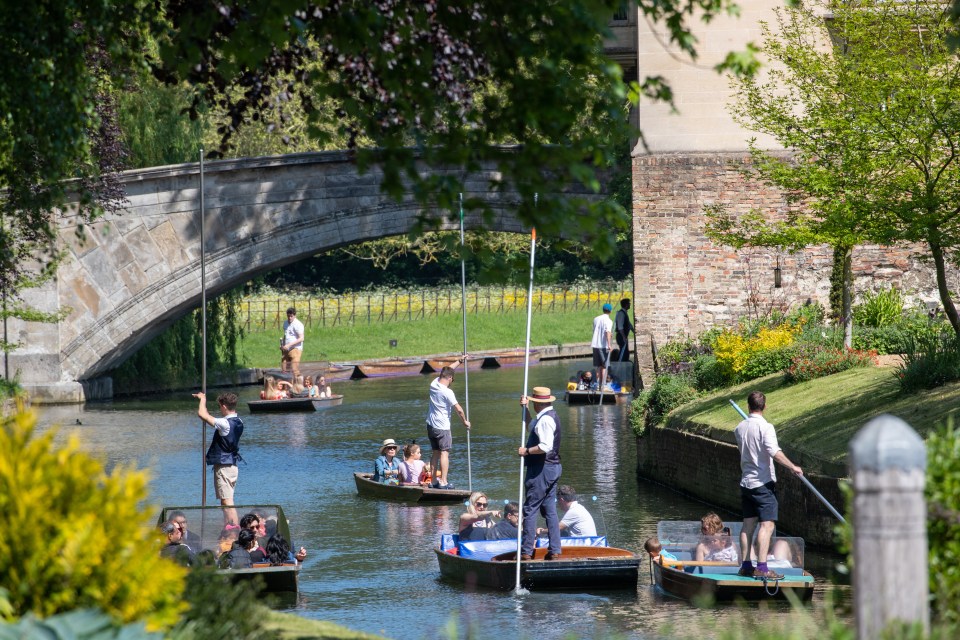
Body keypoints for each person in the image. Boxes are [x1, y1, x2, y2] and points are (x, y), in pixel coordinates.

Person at [734, 391, 803, 580]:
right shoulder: (766, 427)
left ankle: (746, 565)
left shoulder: (739, 428)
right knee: (767, 526)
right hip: (763, 484)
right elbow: (774, 452)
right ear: (764, 407)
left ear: (748, 406)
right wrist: (792, 467)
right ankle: (762, 568)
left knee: (748, 524)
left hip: (746, 483)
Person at [518, 386, 562, 561]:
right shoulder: (548, 416)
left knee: (530, 509)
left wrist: (526, 451)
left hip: (542, 469)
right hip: (553, 467)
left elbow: (545, 446)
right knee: (549, 509)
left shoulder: (545, 420)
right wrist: (524, 409)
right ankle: (555, 550)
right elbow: (531, 427)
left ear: (538, 403)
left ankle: (526, 551)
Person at [194, 391, 244, 526]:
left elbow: (202, 415)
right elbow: (207, 416)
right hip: (231, 465)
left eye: (220, 406)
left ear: (224, 406)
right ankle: (228, 527)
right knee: (225, 500)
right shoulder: (239, 421)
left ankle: (234, 530)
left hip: (224, 466)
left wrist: (202, 399)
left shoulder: (225, 423)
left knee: (227, 502)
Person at [425, 359, 471, 490]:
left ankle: (433, 481)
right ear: (450, 378)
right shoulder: (447, 392)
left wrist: (460, 361)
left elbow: (448, 369)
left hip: (431, 425)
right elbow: (459, 409)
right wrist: (465, 422)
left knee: (435, 453)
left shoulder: (433, 383)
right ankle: (444, 482)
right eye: (452, 379)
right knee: (444, 453)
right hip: (442, 428)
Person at [591, 303, 614, 387]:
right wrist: (609, 344)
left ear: (603, 310)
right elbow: (607, 332)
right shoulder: (608, 321)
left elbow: (596, 331)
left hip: (595, 345)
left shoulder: (596, 319)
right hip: (603, 346)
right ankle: (603, 385)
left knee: (599, 366)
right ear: (610, 311)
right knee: (604, 366)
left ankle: (598, 384)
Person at [280, 307, 305, 377]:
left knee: (295, 370)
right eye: (288, 316)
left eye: (291, 316)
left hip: (295, 349)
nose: (290, 318)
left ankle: (299, 385)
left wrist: (289, 345)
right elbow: (286, 335)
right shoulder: (285, 323)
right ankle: (287, 386)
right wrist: (283, 345)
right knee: (284, 369)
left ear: (294, 315)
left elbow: (301, 338)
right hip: (286, 349)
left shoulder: (298, 324)